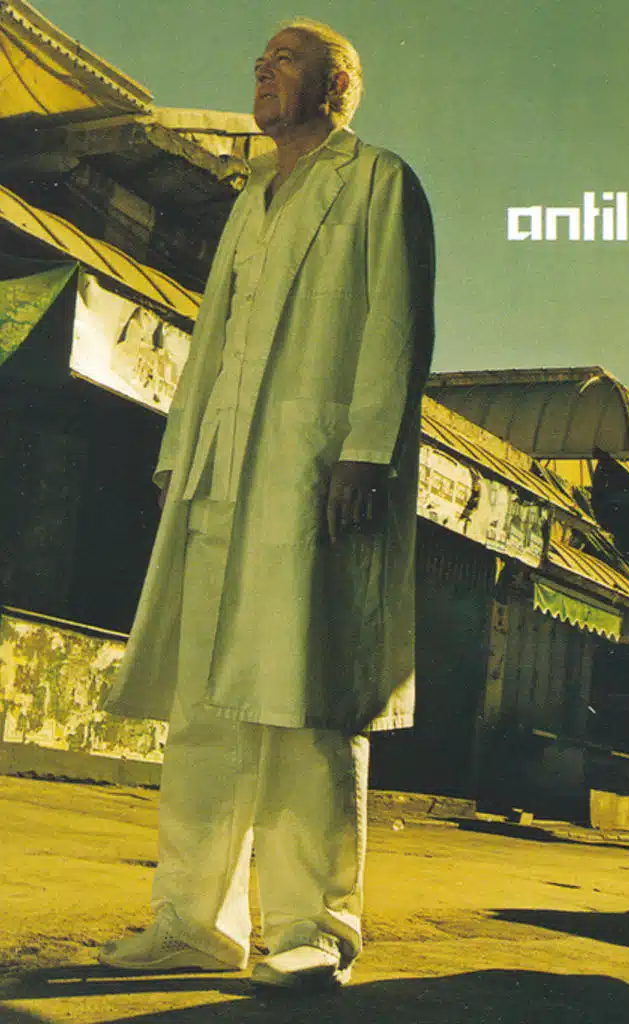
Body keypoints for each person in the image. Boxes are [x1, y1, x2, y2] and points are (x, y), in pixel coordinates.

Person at [97, 18, 435, 990]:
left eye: (286, 60)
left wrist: (364, 451)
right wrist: (180, 453)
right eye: (260, 61)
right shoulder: (250, 200)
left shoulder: (378, 182)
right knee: (205, 705)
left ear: (336, 88)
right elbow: (213, 337)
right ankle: (191, 922)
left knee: (305, 698)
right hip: (222, 473)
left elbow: (397, 325)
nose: (262, 71)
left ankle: (311, 927)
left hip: (313, 473)